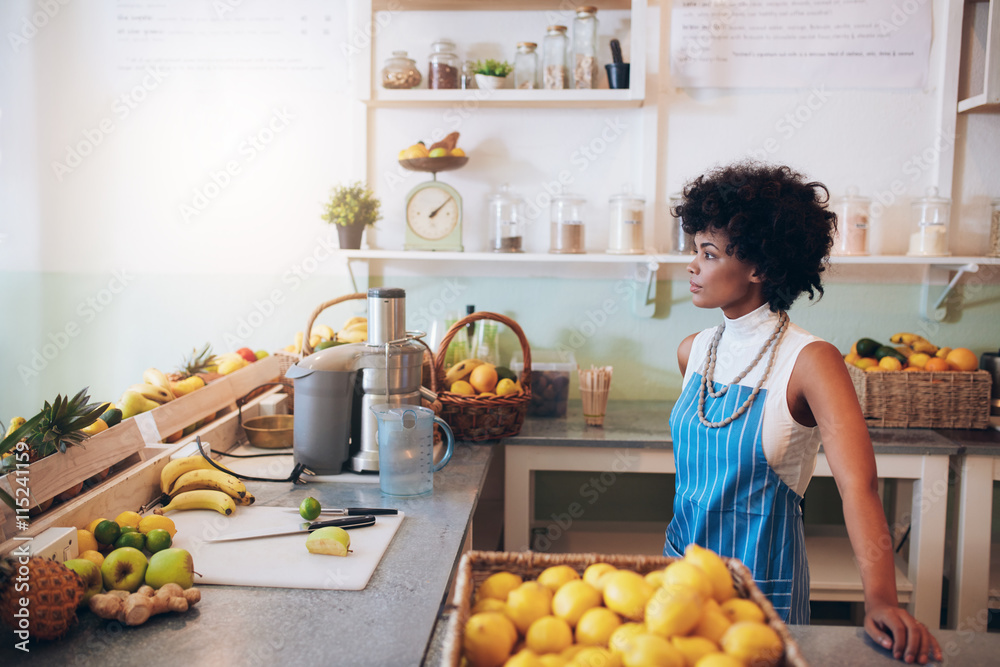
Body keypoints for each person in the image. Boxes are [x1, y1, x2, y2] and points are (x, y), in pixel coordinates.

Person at [665, 162, 942, 664]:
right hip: (678, 584)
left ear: (760, 267)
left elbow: (859, 485)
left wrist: (881, 599)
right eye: (694, 250)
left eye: (708, 253)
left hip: (764, 590)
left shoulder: (811, 362)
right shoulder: (693, 352)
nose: (692, 265)